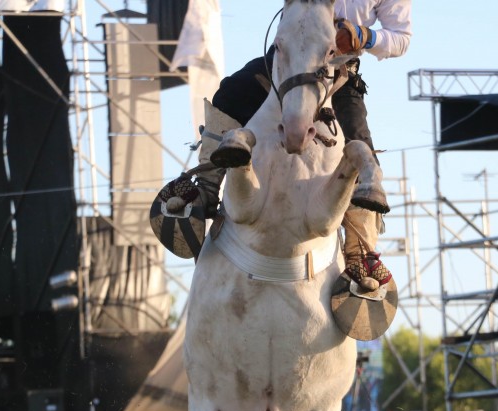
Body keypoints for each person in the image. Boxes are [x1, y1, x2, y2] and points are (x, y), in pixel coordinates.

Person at [155, 0, 411, 292]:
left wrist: (367, 36)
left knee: (360, 145)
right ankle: (205, 190)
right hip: (288, 60)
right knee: (230, 95)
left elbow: (401, 38)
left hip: (338, 71)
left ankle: (359, 253)